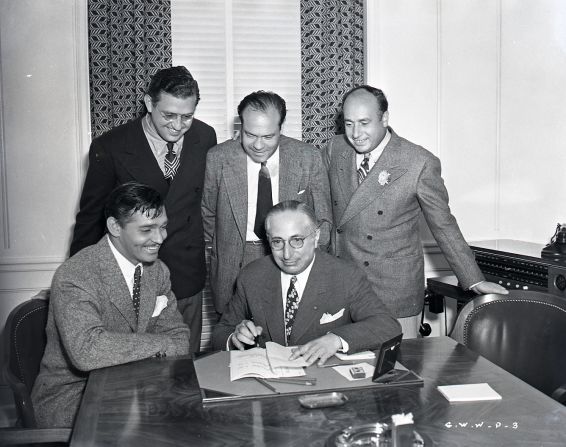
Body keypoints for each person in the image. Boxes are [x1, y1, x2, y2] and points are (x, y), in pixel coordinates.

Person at [323, 85, 508, 338]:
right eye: (349, 124)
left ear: (384, 118)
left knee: (397, 370)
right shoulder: (335, 149)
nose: (356, 134)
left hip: (392, 289)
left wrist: (473, 279)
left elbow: (444, 225)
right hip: (343, 284)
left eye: (364, 123)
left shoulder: (418, 162)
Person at [70, 66, 216, 353]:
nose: (177, 125)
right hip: (130, 279)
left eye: (187, 116)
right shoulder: (110, 146)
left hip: (186, 275)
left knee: (186, 365)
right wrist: (77, 280)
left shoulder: (205, 137)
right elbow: (90, 218)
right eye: (168, 115)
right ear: (149, 103)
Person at [32, 182, 190, 428]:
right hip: (74, 394)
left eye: (163, 227)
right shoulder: (76, 274)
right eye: (147, 229)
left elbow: (179, 338)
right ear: (115, 226)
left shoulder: (158, 271)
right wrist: (161, 344)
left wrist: (164, 345)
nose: (159, 239)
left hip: (136, 383)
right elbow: (87, 351)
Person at [211, 200, 401, 366]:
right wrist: (235, 338)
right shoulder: (252, 276)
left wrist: (337, 339)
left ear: (316, 236)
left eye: (297, 240)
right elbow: (221, 332)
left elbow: (387, 326)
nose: (287, 255)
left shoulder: (346, 275)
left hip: (325, 383)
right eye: (277, 242)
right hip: (270, 385)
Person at [202, 91, 331, 315]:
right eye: (250, 135)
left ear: (281, 129)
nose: (259, 145)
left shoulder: (307, 157)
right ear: (240, 127)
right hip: (233, 261)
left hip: (291, 257)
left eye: (269, 137)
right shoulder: (218, 158)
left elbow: (323, 220)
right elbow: (208, 214)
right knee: (238, 337)